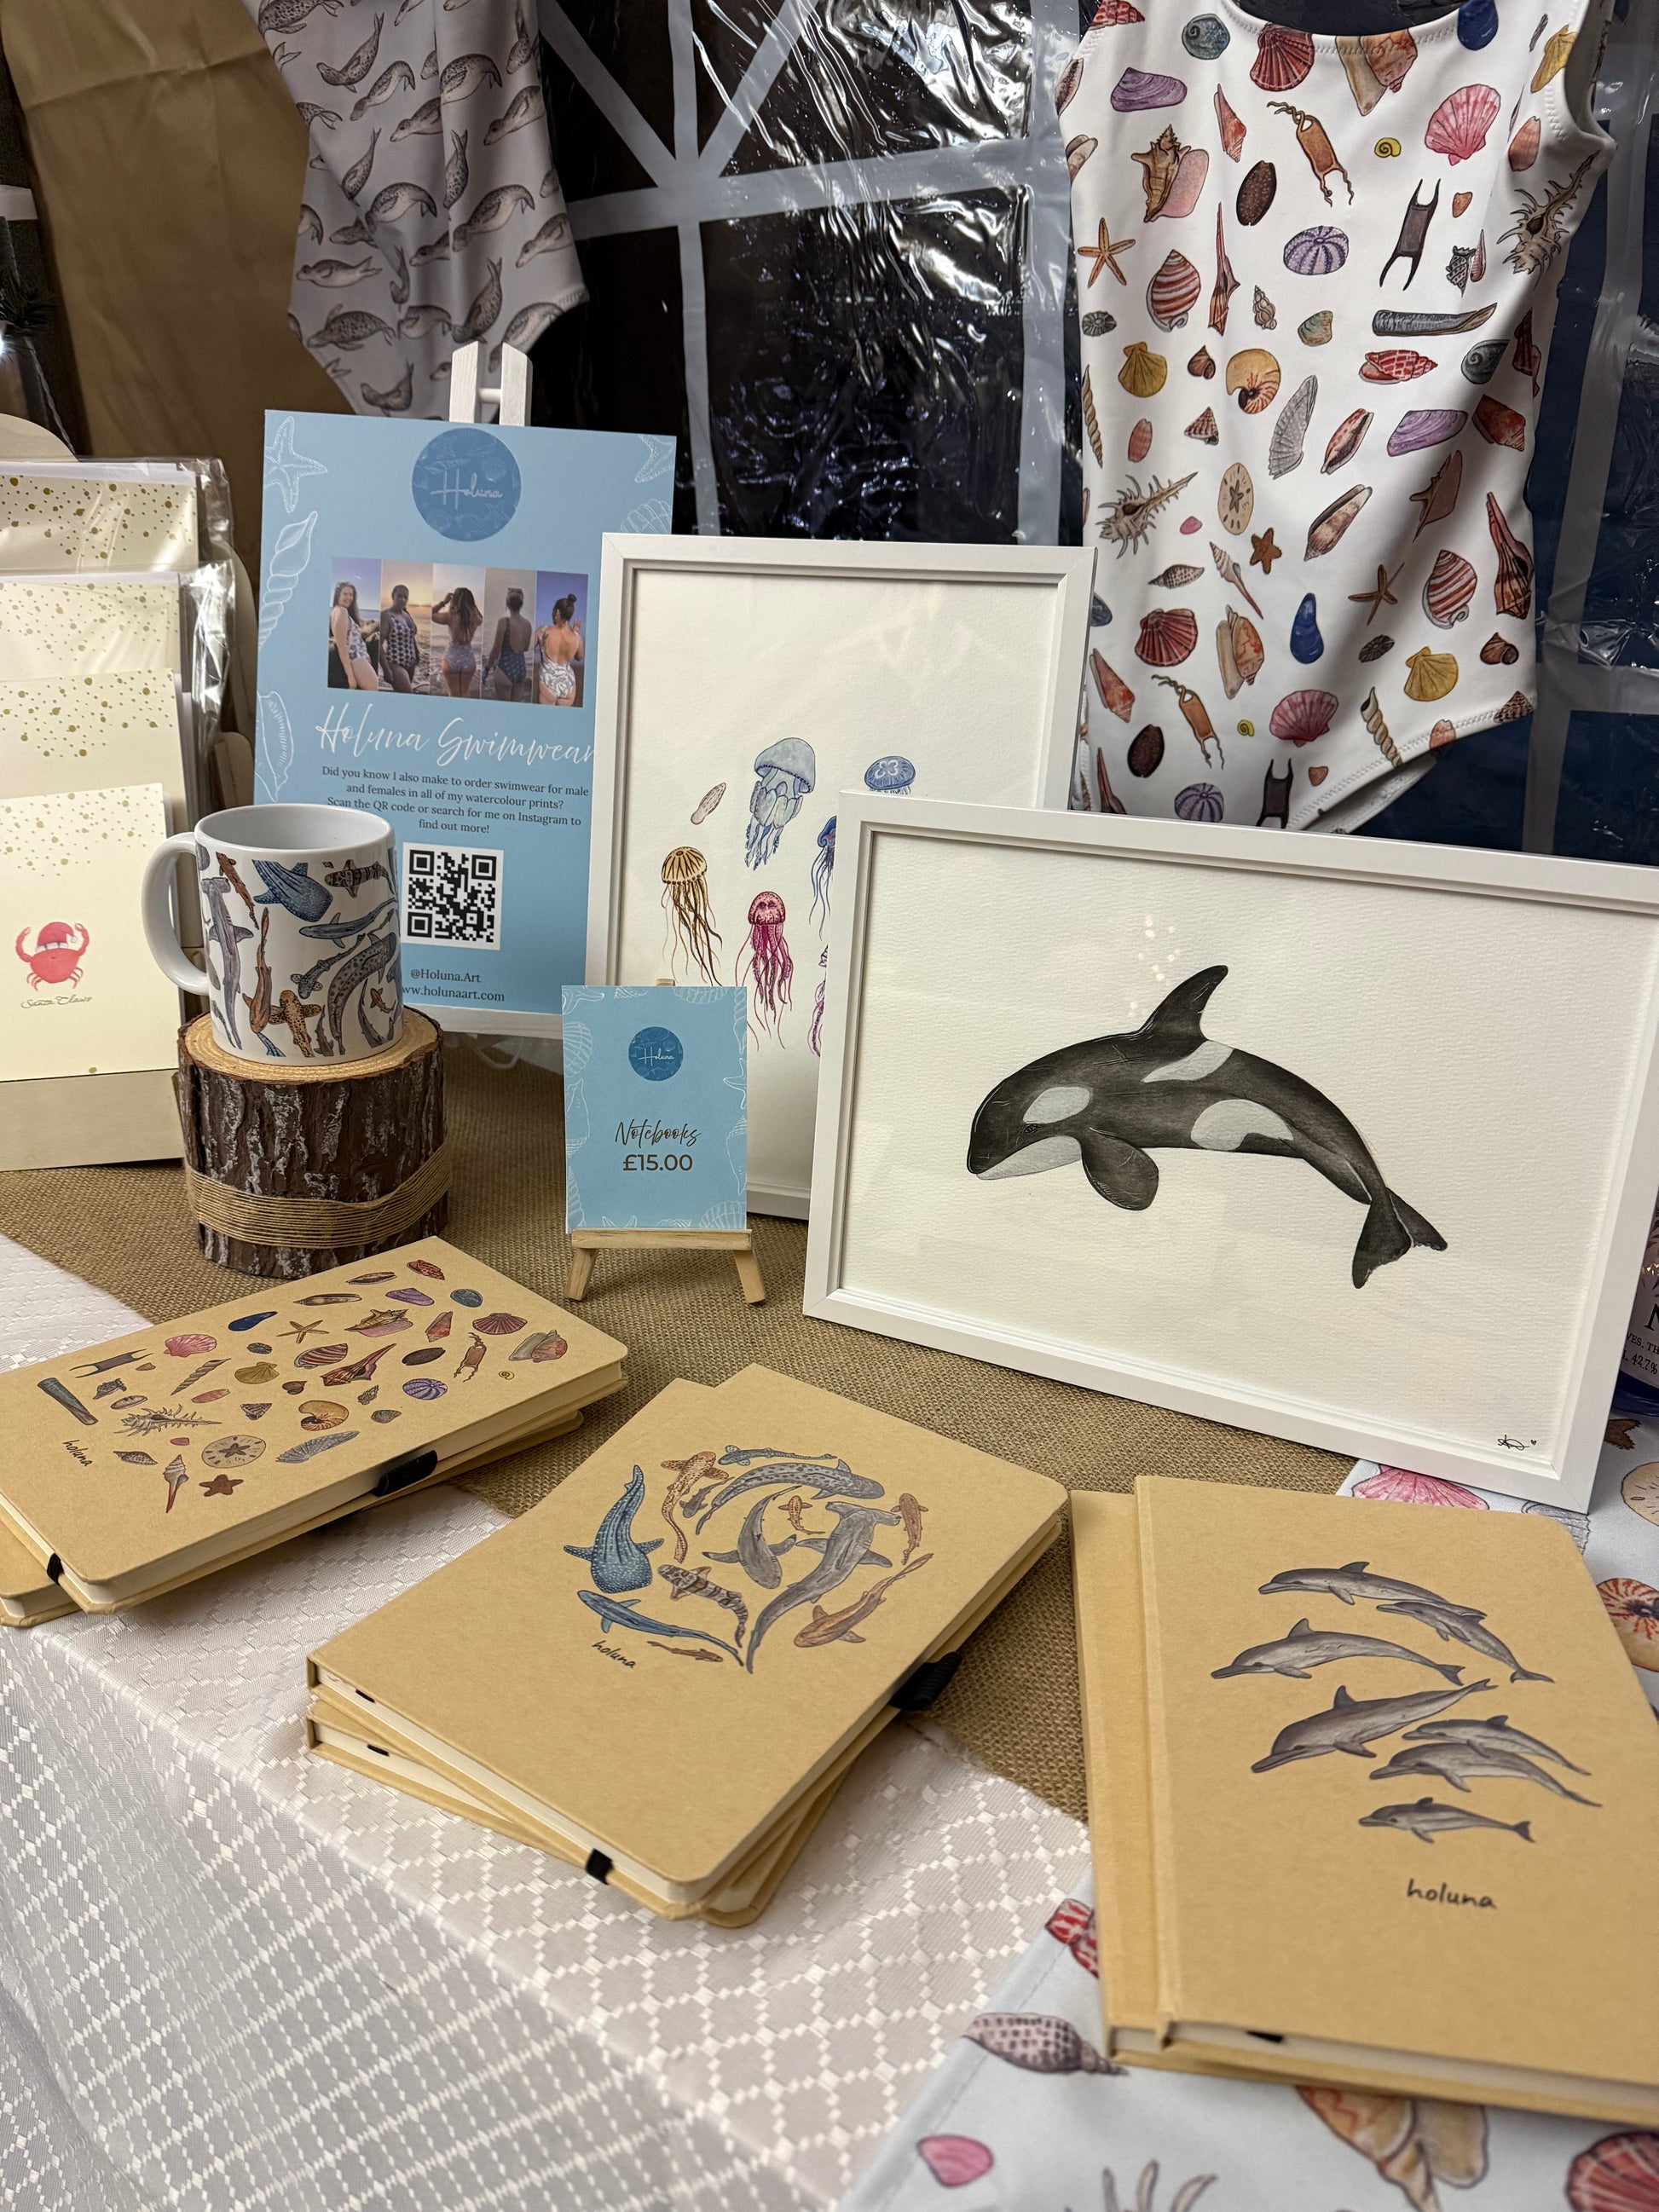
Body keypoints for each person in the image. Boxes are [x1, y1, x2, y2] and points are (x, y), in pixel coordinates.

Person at [431, 584, 483, 698]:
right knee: (465, 692)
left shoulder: (450, 616)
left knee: (453, 693)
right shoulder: (475, 618)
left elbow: (431, 614)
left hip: (452, 658)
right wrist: (473, 605)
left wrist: (444, 602)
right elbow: (482, 618)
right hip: (468, 659)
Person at [536, 592, 583, 707]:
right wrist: (575, 632)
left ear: (557, 612)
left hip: (548, 682)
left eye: (553, 611)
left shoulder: (542, 631)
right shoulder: (577, 638)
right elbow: (579, 657)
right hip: (568, 683)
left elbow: (527, 647)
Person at [328, 580, 377, 690]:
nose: (349, 597)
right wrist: (350, 677)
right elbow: (341, 646)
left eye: (351, 595)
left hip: (359, 660)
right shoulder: (342, 612)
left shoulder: (337, 611)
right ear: (338, 595)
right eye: (345, 594)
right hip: (357, 661)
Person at [488, 586, 533, 703]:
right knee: (515, 707)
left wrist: (487, 668)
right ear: (521, 604)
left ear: (507, 603)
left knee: (504, 708)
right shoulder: (527, 624)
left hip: (505, 668)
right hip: (521, 668)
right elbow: (526, 648)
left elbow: (495, 651)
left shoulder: (503, 622)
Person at [379, 582, 421, 694]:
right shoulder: (386, 615)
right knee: (407, 694)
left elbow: (411, 636)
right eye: (399, 596)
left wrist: (416, 655)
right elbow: (379, 644)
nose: (403, 599)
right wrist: (386, 669)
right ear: (393, 596)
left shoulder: (407, 615)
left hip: (410, 664)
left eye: (405, 597)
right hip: (395, 663)